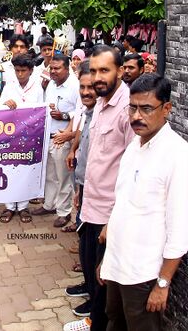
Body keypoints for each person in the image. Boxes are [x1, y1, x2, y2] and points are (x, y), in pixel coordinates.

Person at [99, 74, 188, 330]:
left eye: (146, 109)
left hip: (143, 273)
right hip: (117, 263)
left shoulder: (179, 156)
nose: (136, 116)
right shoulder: (134, 145)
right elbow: (124, 201)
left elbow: (181, 229)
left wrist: (162, 283)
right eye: (132, 107)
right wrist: (108, 255)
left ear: (167, 109)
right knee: (114, 321)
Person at [63, 45, 135, 331]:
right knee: (94, 275)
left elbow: (132, 170)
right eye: (93, 70)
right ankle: (94, 320)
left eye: (104, 70)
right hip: (91, 206)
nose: (97, 77)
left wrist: (115, 220)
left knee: (105, 279)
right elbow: (97, 158)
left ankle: (98, 322)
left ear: (120, 71)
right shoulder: (101, 103)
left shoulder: (128, 108)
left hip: (110, 214)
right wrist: (81, 192)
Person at [63, 61, 97, 311]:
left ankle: (95, 300)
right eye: (82, 87)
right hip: (84, 185)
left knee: (96, 251)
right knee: (84, 244)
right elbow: (80, 136)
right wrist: (79, 188)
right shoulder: (87, 112)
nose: (86, 92)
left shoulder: (107, 114)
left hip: (100, 195)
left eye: (91, 87)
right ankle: (87, 284)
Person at [31, 55, 79, 228]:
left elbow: (80, 112)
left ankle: (64, 212)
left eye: (57, 68)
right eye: (52, 68)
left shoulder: (75, 86)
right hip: (48, 136)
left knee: (63, 177)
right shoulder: (51, 84)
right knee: (50, 175)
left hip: (63, 137)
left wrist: (64, 115)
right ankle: (49, 205)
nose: (53, 72)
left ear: (67, 68)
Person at [0, 54, 44, 223]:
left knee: (26, 170)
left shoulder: (38, 88)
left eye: (23, 71)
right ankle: (9, 207)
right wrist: (5, 104)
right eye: (17, 70)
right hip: (11, 135)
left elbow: (40, 112)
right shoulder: (9, 87)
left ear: (31, 71)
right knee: (9, 168)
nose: (20, 74)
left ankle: (23, 207)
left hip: (30, 135)